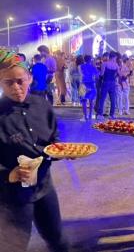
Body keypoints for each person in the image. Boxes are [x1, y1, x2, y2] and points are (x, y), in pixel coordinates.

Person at [0, 50, 69, 252]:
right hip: (12, 196)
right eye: (8, 83)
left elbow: (54, 137)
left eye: (20, 81)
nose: (16, 88)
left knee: (57, 239)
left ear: (29, 78)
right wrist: (7, 174)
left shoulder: (42, 105)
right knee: (14, 245)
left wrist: (61, 150)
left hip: (44, 187)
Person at [96, 52, 119, 120]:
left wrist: (98, 73)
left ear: (109, 57)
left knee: (102, 99)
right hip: (113, 83)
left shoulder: (105, 63)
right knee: (113, 99)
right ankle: (112, 114)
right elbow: (119, 74)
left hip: (106, 82)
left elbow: (102, 74)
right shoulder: (116, 65)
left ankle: (100, 114)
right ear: (114, 57)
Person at [80, 55, 99, 121]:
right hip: (91, 84)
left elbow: (79, 75)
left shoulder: (81, 66)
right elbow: (97, 75)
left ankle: (85, 116)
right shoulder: (93, 66)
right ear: (90, 60)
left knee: (84, 101)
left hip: (83, 84)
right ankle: (90, 114)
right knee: (91, 100)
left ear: (84, 60)